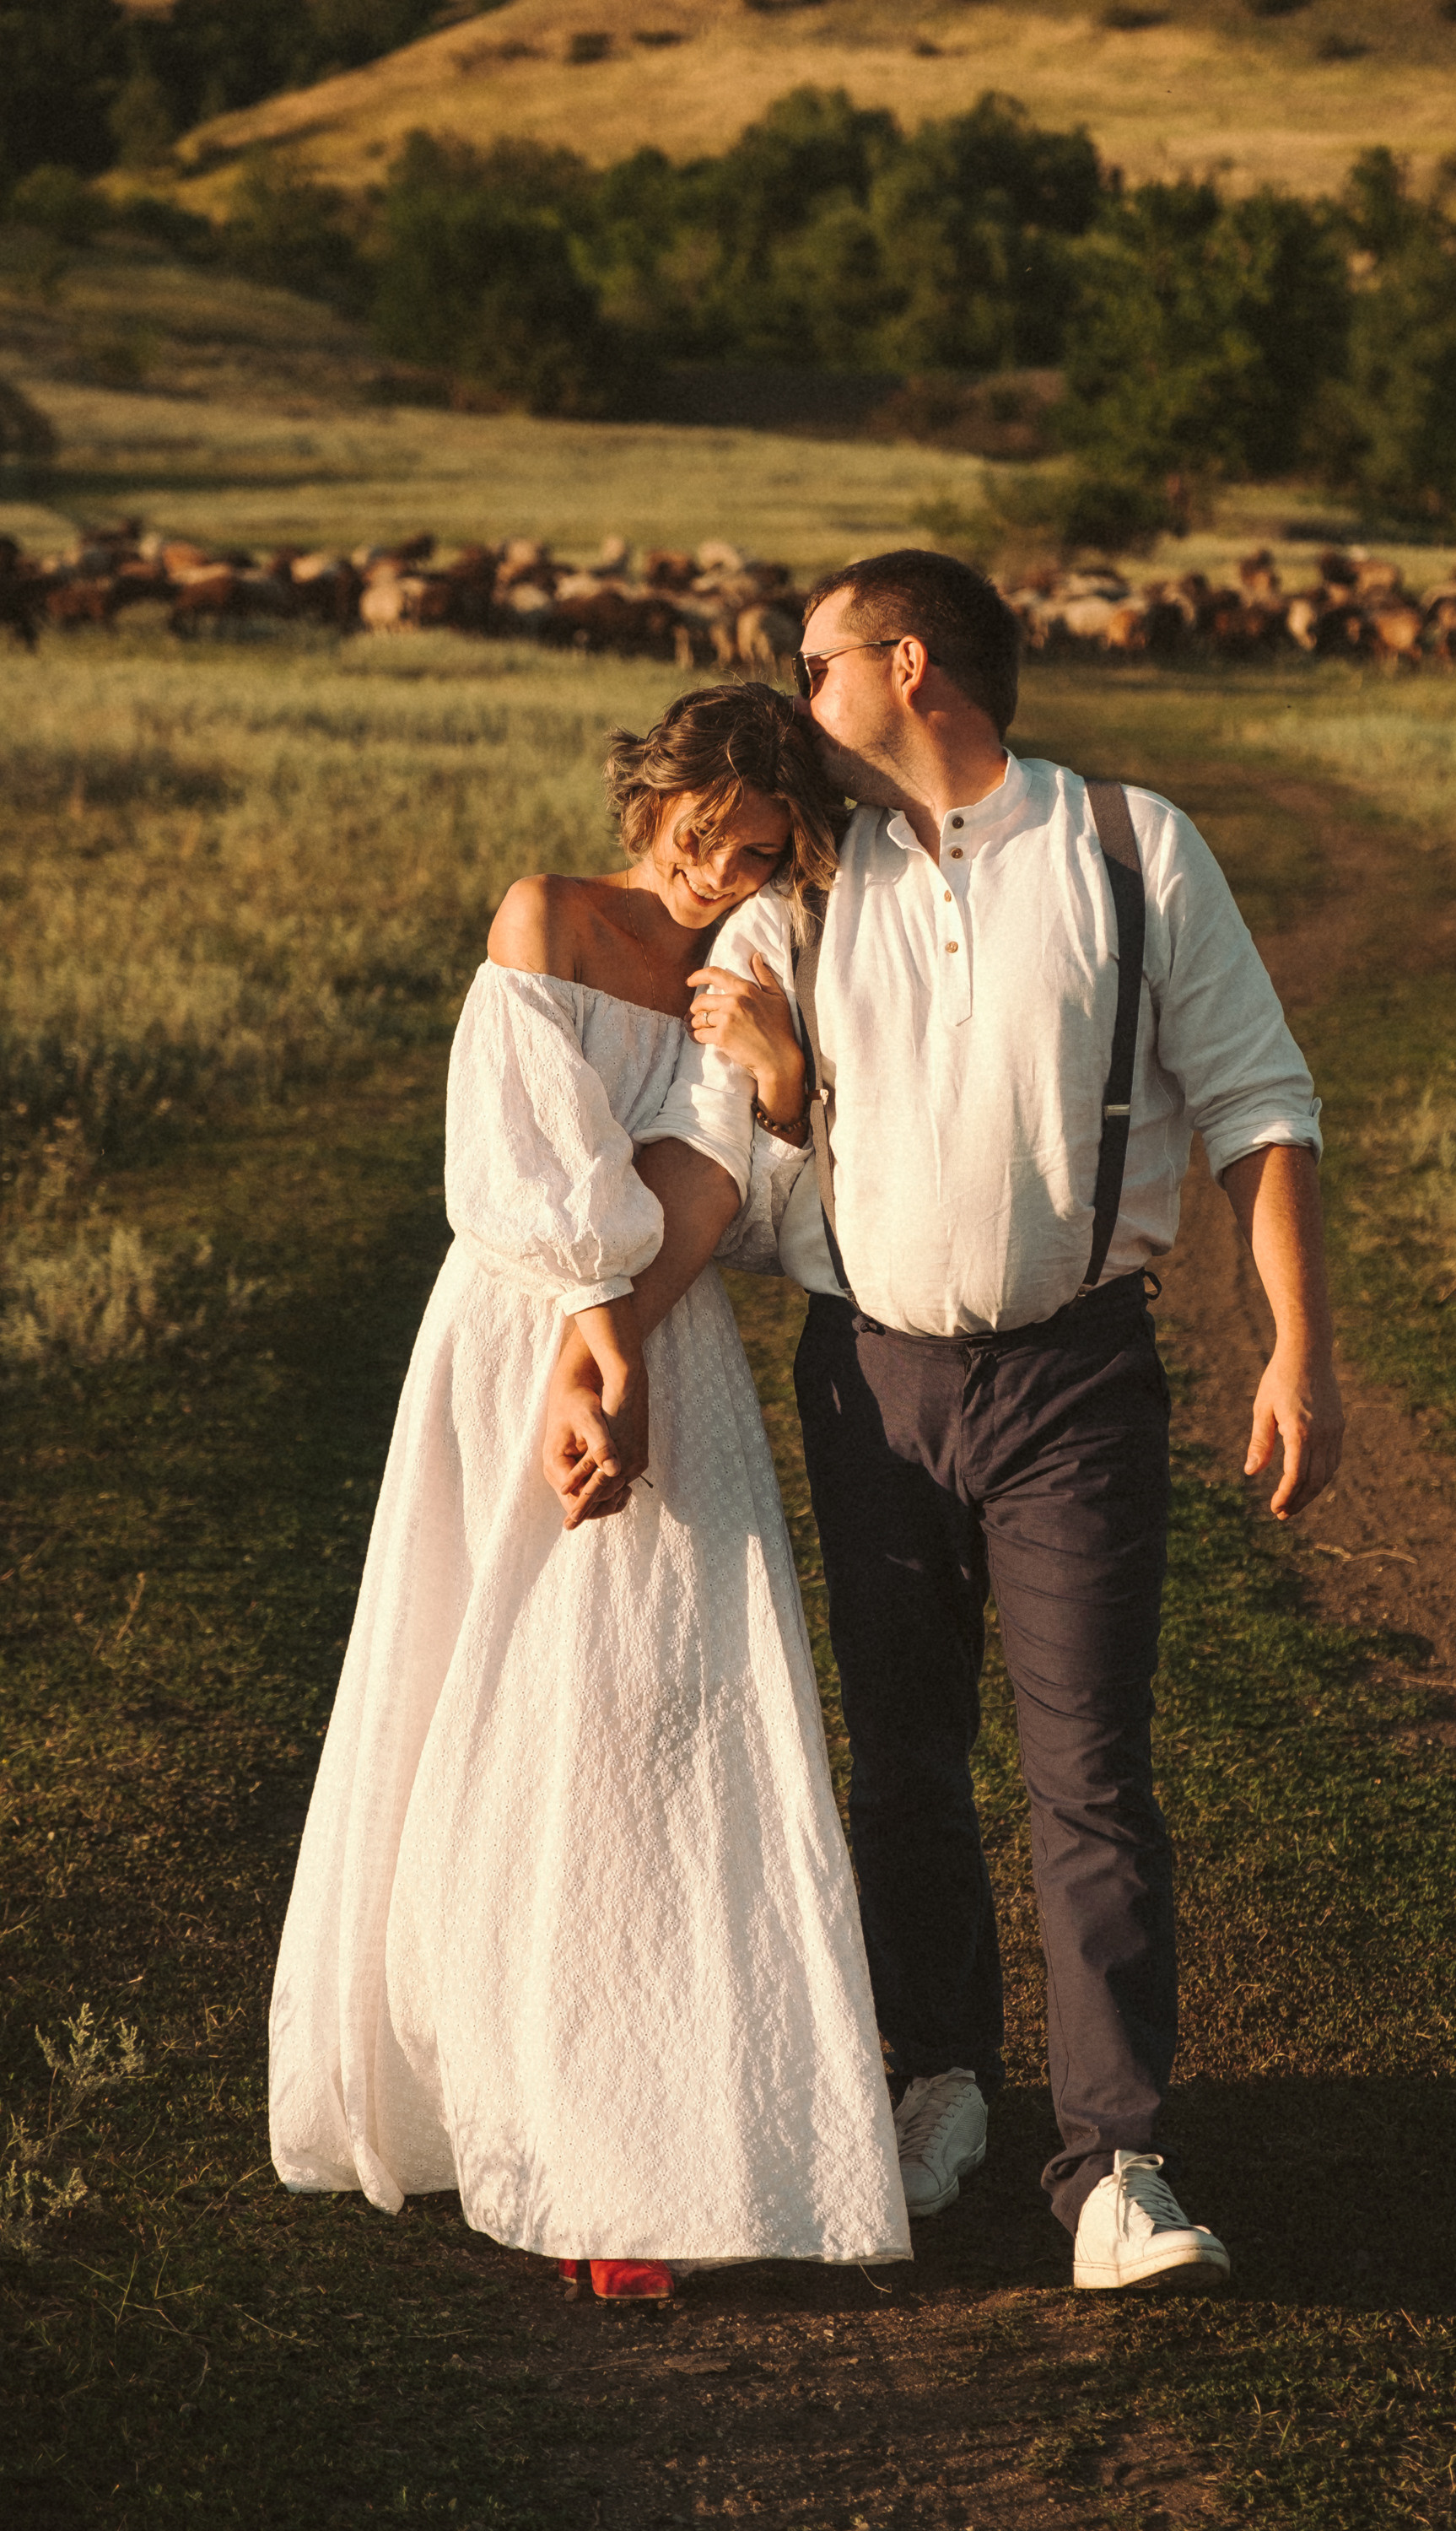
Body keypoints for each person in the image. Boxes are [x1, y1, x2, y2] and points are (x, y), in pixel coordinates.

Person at [555, 551, 1345, 2296]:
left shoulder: (1133, 849)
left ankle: (1116, 2165)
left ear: (908, 667)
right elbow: (701, 1150)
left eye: (813, 662)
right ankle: (936, 2084)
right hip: (871, 1376)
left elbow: (1257, 1100)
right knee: (904, 1761)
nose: (795, 697)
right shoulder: (796, 900)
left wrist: (1298, 1346)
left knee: (1089, 1774)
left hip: (1078, 1376)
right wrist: (593, 1336)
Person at [268, 684, 910, 2304]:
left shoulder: (749, 958)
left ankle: (660, 2133)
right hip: (508, 1342)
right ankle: (520, 2114)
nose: (726, 875)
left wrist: (628, 1349)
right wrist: (576, 1349)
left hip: (658, 1353)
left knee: (663, 1716)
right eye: (711, 840)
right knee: (492, 1689)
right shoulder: (546, 916)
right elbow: (523, 1170)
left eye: (763, 853)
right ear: (658, 801)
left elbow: (706, 1184)